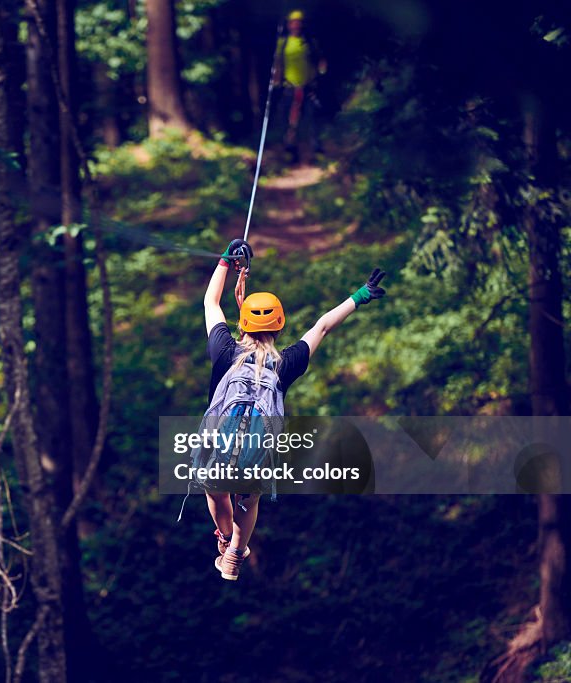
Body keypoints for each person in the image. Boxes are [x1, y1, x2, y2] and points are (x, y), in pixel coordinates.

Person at [202, 239, 385, 580]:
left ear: (242, 324)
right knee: (248, 499)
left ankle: (225, 539)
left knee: (215, 490)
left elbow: (211, 302)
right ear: (280, 325)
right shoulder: (285, 363)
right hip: (256, 451)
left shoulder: (224, 350)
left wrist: (226, 261)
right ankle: (237, 552)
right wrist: (359, 296)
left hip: (222, 447)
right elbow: (322, 326)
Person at [273, 10, 327, 162]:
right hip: (289, 88)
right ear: (289, 24)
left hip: (309, 88)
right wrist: (276, 81)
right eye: (293, 22)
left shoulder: (310, 42)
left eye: (299, 22)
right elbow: (277, 64)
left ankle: (316, 151)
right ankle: (290, 151)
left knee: (312, 119)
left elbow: (321, 60)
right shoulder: (282, 44)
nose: (296, 25)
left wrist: (321, 74)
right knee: (290, 121)